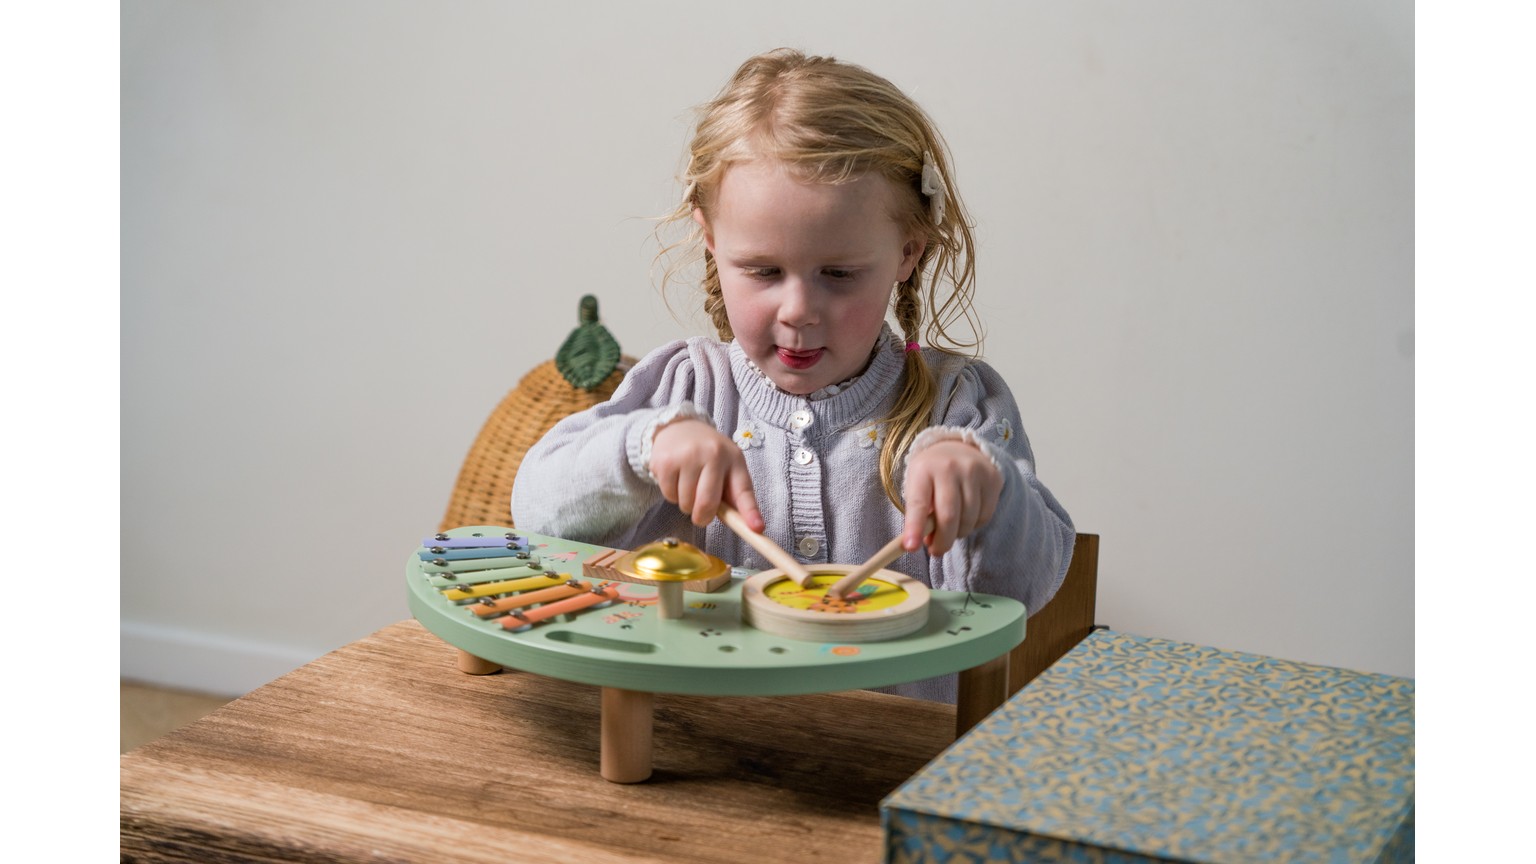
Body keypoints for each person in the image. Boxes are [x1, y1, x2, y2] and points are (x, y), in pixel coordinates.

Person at [513, 48, 1074, 702]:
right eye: (763, 271)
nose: (799, 310)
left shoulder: (957, 405)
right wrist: (647, 449)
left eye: (838, 274)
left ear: (908, 253)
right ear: (711, 242)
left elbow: (1025, 591)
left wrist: (987, 487)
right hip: (707, 757)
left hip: (890, 767)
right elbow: (538, 515)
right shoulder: (689, 390)